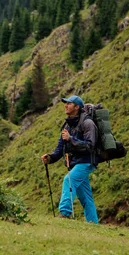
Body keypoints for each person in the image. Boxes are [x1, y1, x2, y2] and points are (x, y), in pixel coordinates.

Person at [41, 95, 99, 223]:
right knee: (85, 197)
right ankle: (93, 223)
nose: (65, 105)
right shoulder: (67, 126)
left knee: (68, 180)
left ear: (77, 107)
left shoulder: (88, 123)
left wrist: (71, 139)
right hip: (75, 163)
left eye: (69, 103)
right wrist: (50, 158)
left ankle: (65, 213)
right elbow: (60, 149)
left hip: (87, 161)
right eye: (65, 103)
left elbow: (90, 146)